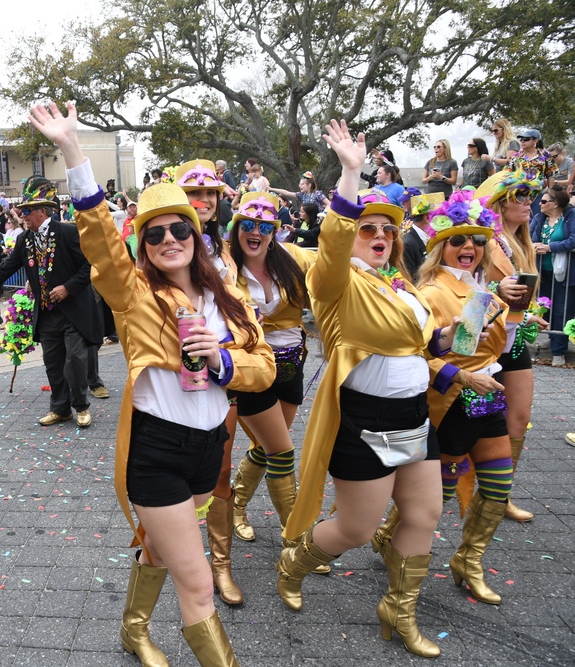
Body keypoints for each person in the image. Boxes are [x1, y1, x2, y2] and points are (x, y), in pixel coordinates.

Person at [32, 100, 274, 667]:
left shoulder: (228, 297)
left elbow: (263, 364)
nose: (169, 239)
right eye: (155, 233)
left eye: (179, 229)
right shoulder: (134, 295)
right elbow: (98, 242)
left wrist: (222, 364)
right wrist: (73, 151)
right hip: (157, 451)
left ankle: (133, 630)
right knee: (198, 586)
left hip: (208, 448)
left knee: (162, 553)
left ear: (196, 232)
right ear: (143, 243)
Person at [280, 121, 446, 658]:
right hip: (364, 419)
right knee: (354, 529)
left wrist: (450, 349)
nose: (379, 236)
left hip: (414, 416)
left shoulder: (398, 284)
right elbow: (331, 245)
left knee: (424, 515)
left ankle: (399, 610)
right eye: (368, 227)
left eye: (388, 230)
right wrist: (352, 171)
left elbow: (413, 347)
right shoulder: (334, 282)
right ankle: (294, 561)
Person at [411, 189, 515, 607]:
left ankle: (469, 562)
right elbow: (415, 358)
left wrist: (520, 320)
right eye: (457, 239)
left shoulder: (487, 288)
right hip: (449, 403)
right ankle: (388, 536)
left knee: (498, 482)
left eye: (476, 239)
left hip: (489, 396)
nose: (468, 246)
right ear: (439, 247)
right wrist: (463, 376)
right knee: (442, 491)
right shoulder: (429, 293)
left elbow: (495, 349)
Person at [226, 192, 326, 596]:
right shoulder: (224, 267)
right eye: (247, 224)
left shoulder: (294, 259)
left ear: (275, 230)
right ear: (236, 228)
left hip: (292, 361)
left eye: (264, 226)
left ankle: (235, 503)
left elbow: (337, 262)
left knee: (271, 447)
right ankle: (296, 538)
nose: (255, 232)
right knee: (282, 451)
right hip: (252, 367)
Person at [0, 177, 101, 427]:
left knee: (75, 360)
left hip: (74, 311)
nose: (22, 216)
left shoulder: (68, 232)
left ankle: (80, 406)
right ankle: (60, 409)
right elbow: (3, 269)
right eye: (21, 211)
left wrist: (67, 288)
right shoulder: (25, 240)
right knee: (53, 363)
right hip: (46, 312)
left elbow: (88, 266)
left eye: (26, 211)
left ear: (42, 211)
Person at [172, 159, 245, 605]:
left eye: (210, 195)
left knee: (219, 469)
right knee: (169, 474)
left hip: (222, 374)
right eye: (193, 195)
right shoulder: (163, 245)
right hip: (170, 380)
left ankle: (220, 564)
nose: (202, 202)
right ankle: (169, 551)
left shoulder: (228, 251)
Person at [474, 170, 549, 522]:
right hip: (482, 344)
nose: (529, 203)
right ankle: (397, 523)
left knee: (518, 419)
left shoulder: (522, 245)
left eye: (531, 196)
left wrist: (530, 314)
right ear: (500, 203)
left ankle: (499, 497)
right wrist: (496, 295)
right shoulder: (483, 241)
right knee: (458, 434)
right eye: (521, 196)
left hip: (514, 342)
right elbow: (462, 293)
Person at [532, 186, 575, 365]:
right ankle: (551, 337)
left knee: (561, 311)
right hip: (543, 272)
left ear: (555, 203)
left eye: (543, 201)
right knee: (544, 308)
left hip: (565, 275)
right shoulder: (539, 217)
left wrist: (550, 247)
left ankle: (558, 352)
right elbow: (527, 235)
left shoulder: (571, 216)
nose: (539, 204)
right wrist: (533, 245)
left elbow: (573, 239)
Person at [507, 129, 557, 217]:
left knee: (538, 219)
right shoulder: (516, 156)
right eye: (521, 139)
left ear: (535, 140)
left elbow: (551, 174)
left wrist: (550, 192)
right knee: (522, 220)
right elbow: (509, 174)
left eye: (526, 139)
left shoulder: (545, 155)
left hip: (539, 194)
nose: (522, 141)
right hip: (520, 194)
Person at [400, 193, 445, 283]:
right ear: (427, 218)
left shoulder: (437, 239)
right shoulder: (407, 244)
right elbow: (411, 280)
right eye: (441, 216)